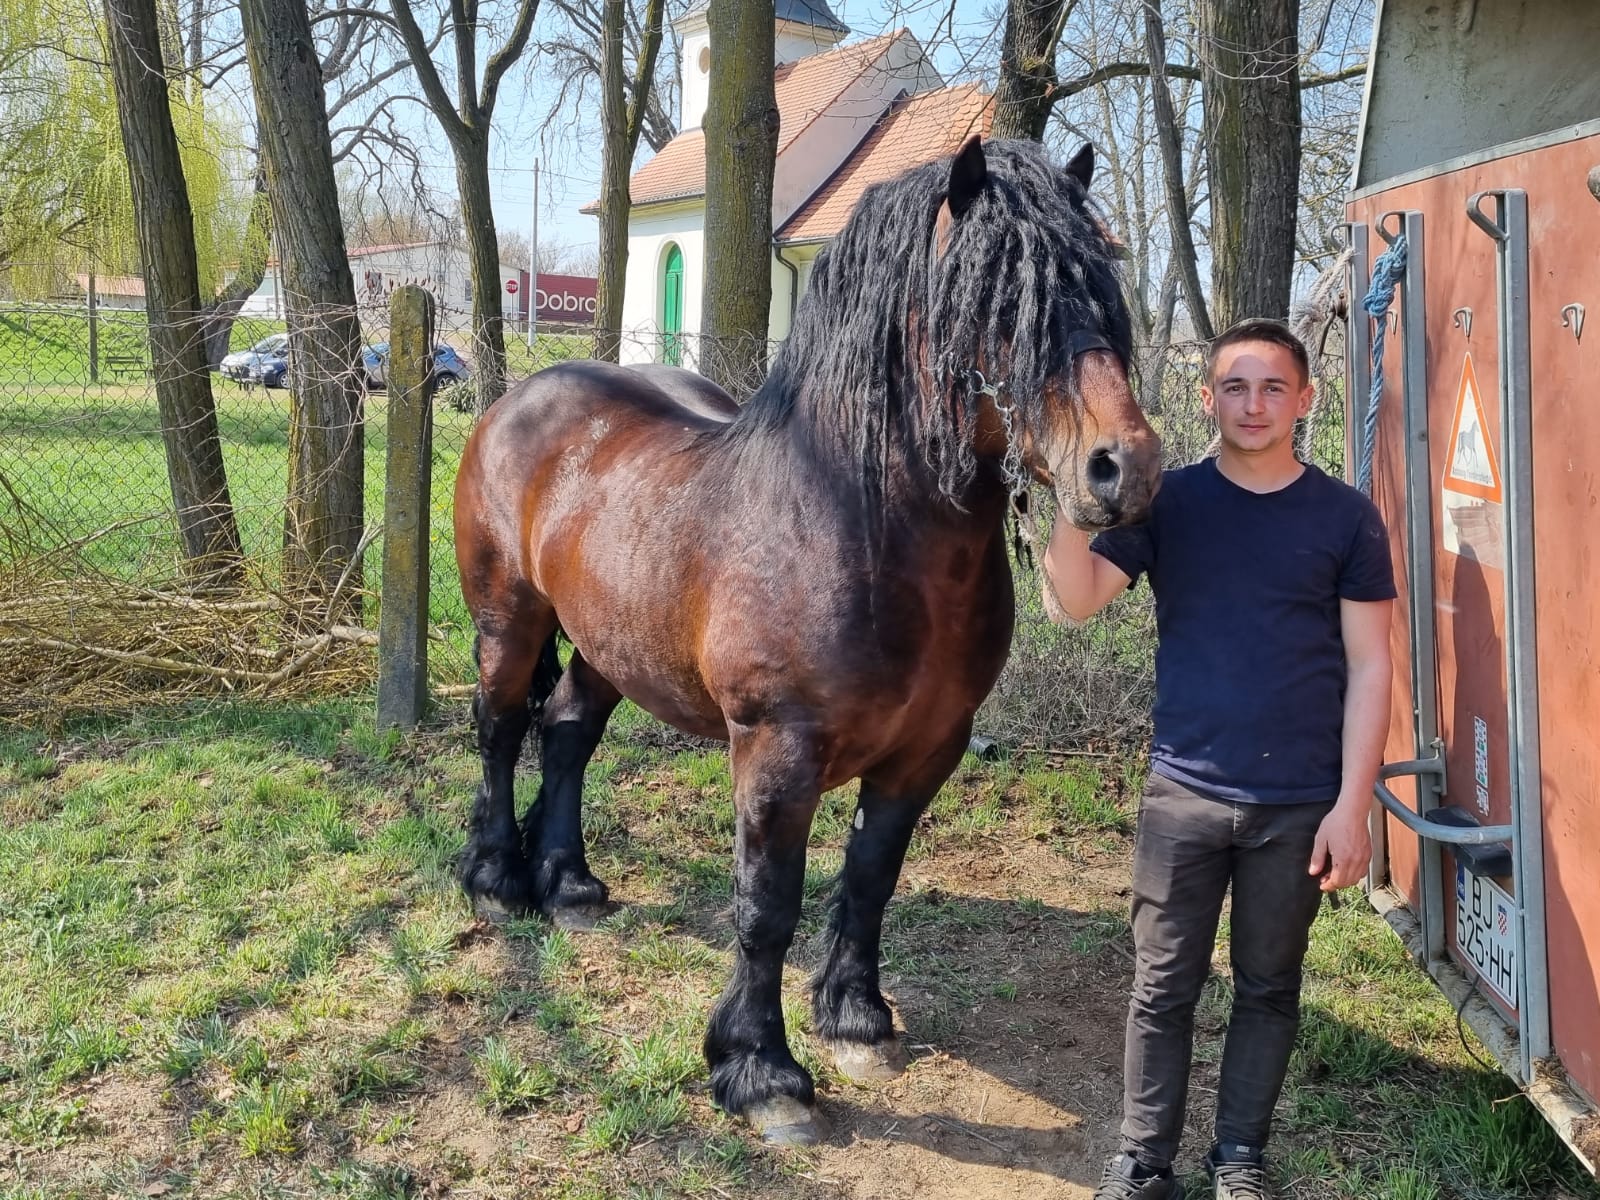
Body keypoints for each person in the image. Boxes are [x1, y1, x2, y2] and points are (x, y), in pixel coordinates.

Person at [1043, 319, 1396, 1200]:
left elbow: (1372, 664)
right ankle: (1143, 1162)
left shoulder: (1346, 517)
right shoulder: (1172, 503)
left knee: (1269, 988)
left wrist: (1354, 804)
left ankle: (1241, 1158)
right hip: (1185, 794)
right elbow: (1075, 602)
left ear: (1305, 401)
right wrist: (1066, 492)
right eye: (1235, 387)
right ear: (1208, 399)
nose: (1253, 404)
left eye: (1273, 387)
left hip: (1298, 804)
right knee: (1162, 988)